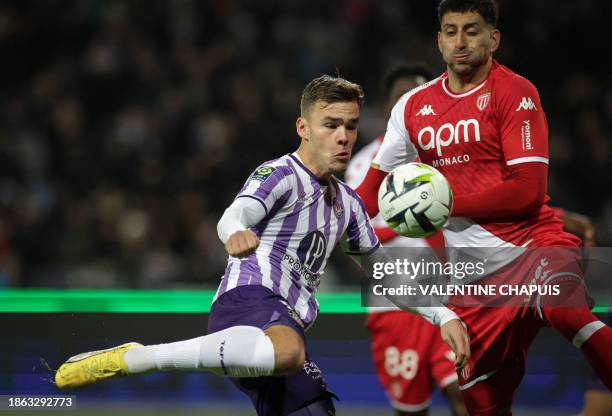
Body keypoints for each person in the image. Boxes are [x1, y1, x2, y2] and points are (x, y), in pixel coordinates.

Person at [54, 75, 470, 416]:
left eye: (351, 125)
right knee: (289, 351)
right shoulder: (280, 173)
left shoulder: (348, 204)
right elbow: (235, 214)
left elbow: (385, 274)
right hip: (249, 302)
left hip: (280, 329)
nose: (343, 136)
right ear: (303, 128)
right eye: (331, 124)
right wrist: (234, 231)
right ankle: (140, 358)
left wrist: (443, 315)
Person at [354, 1, 612, 414]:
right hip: (473, 279)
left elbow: (527, 191)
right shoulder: (412, 108)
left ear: (494, 38)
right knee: (481, 402)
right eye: (451, 31)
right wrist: (321, 219)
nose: (460, 41)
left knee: (569, 312)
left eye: (472, 30)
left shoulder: (516, 93)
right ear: (439, 40)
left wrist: (447, 203)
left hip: (531, 247)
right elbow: (369, 193)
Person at [345, 63, 467, 416]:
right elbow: (352, 232)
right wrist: (410, 224)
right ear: (389, 109)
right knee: (412, 410)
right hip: (396, 302)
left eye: (420, 98)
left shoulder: (452, 156)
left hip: (453, 292)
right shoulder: (365, 164)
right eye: (403, 98)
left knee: (464, 393)